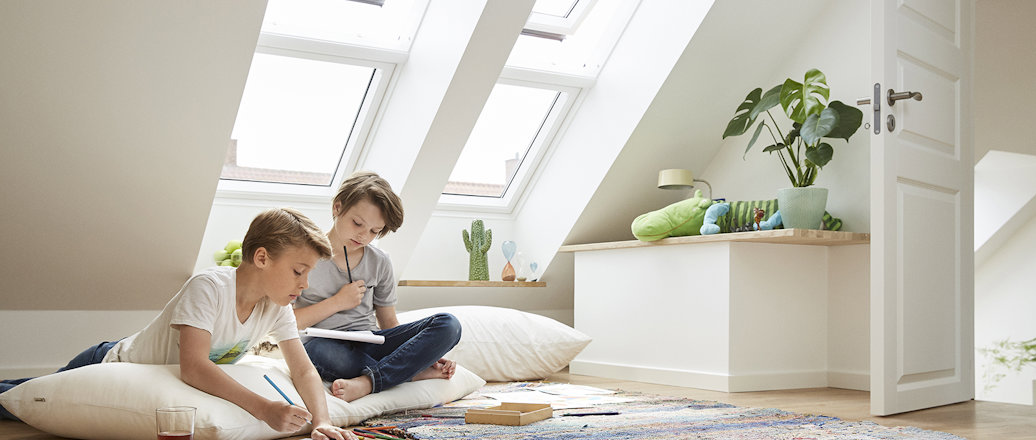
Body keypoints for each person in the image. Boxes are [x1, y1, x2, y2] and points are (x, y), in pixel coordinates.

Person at [0, 208, 355, 440]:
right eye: (299, 270)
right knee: (15, 401)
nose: (305, 284)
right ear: (261, 257)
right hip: (111, 361)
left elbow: (304, 371)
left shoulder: (276, 306)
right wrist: (264, 409)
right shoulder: (210, 287)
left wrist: (321, 421)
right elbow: (194, 367)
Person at [294, 171, 462, 402]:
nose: (364, 235)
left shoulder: (380, 261)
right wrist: (337, 303)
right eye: (357, 223)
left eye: (374, 231)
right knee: (317, 353)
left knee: (449, 324)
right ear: (337, 207)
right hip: (325, 345)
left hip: (371, 341)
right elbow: (287, 323)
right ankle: (407, 373)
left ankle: (369, 381)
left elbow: (389, 324)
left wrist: (416, 350)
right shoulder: (302, 256)